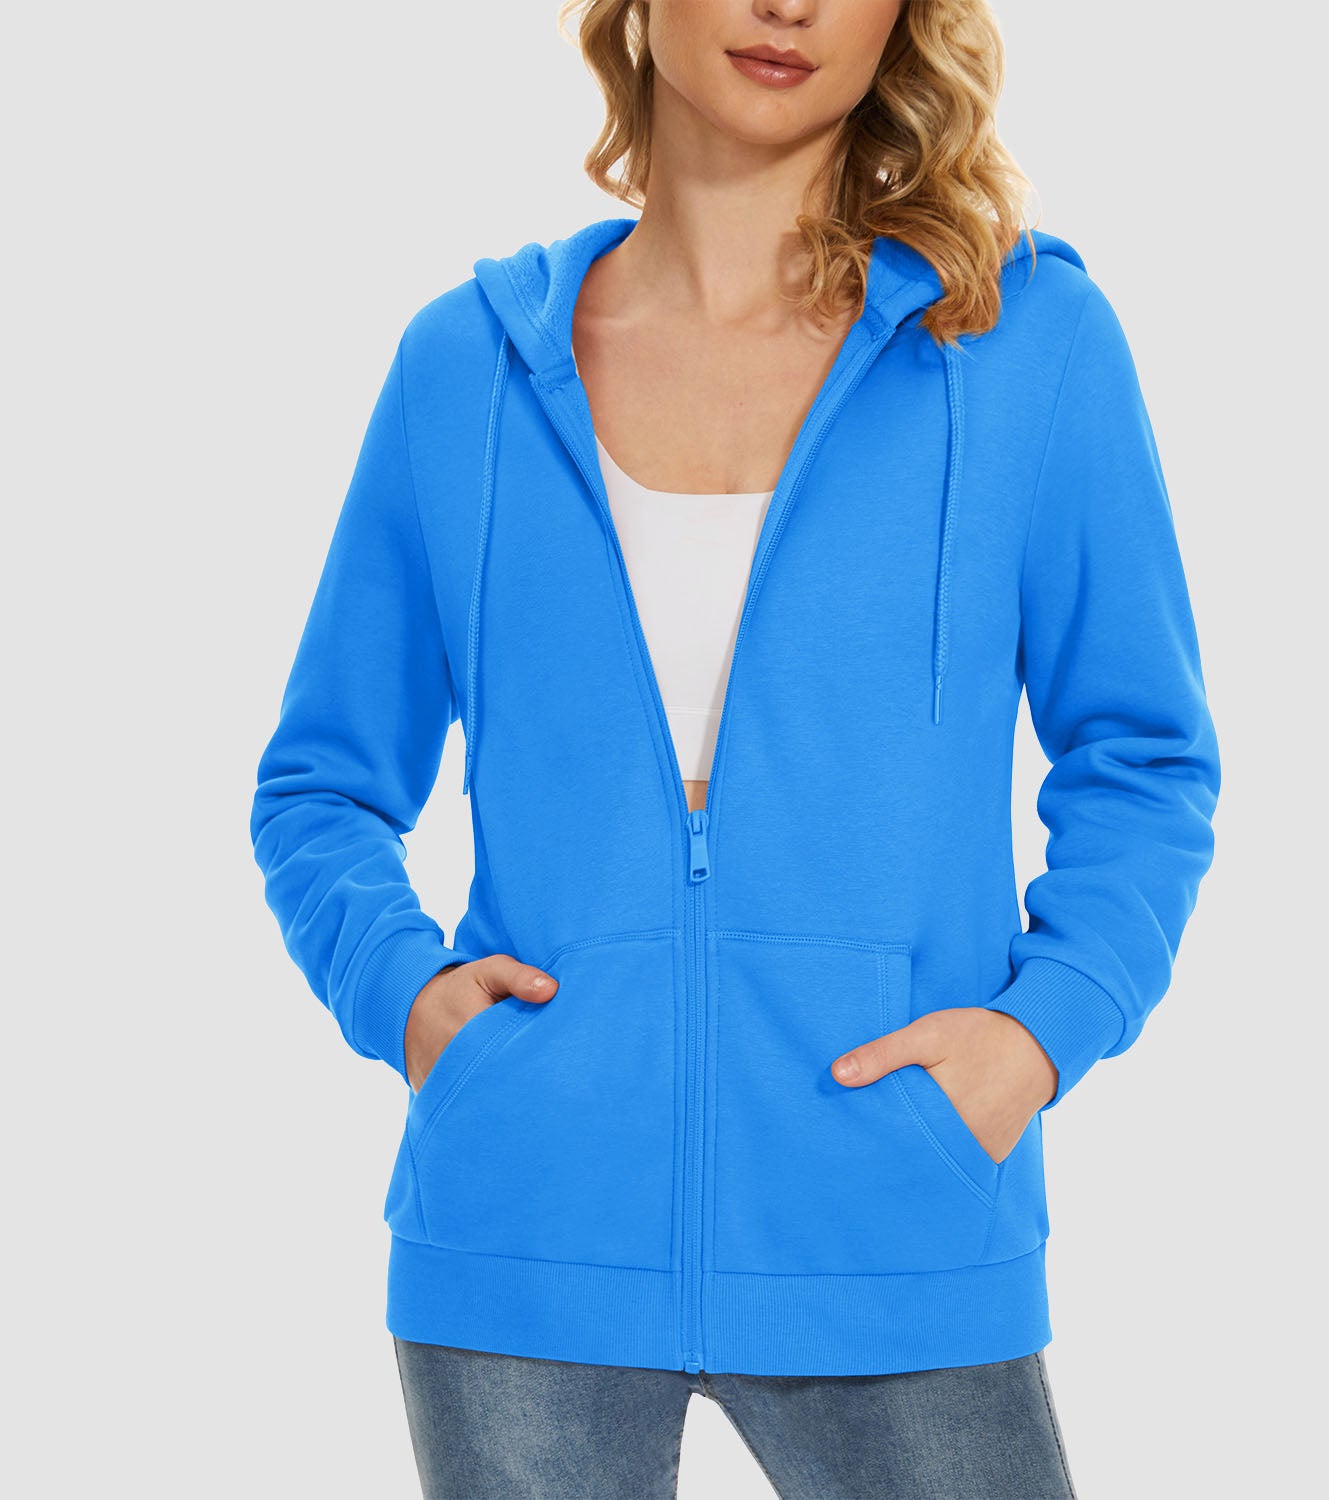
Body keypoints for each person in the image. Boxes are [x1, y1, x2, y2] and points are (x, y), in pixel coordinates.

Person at [249, 1, 1221, 1494]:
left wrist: (1042, 1033)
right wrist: (410, 1000)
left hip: (894, 1209)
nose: (791, 6)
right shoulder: (468, 369)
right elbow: (320, 783)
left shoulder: (1021, 345)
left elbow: (1144, 758)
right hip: (525, 1234)